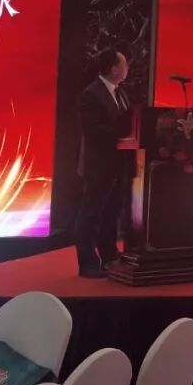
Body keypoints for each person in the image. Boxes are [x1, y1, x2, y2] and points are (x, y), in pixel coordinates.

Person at [74, 48, 135, 278]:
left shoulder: (121, 93)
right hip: (99, 165)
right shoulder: (91, 94)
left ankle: (109, 255)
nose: (128, 68)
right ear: (113, 69)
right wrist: (120, 132)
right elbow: (93, 131)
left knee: (112, 212)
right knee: (92, 214)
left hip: (118, 165)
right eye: (124, 63)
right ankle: (87, 262)